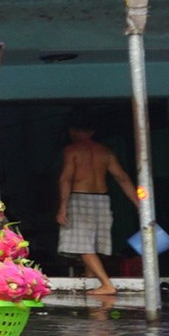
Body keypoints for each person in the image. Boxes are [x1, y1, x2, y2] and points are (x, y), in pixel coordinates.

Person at [57, 119, 138, 296]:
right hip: (102, 200)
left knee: (82, 245)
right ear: (92, 132)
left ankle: (106, 284)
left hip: (79, 198)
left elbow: (66, 179)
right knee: (93, 244)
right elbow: (122, 178)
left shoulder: (72, 150)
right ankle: (92, 280)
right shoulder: (105, 152)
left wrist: (62, 207)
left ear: (72, 131)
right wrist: (139, 204)